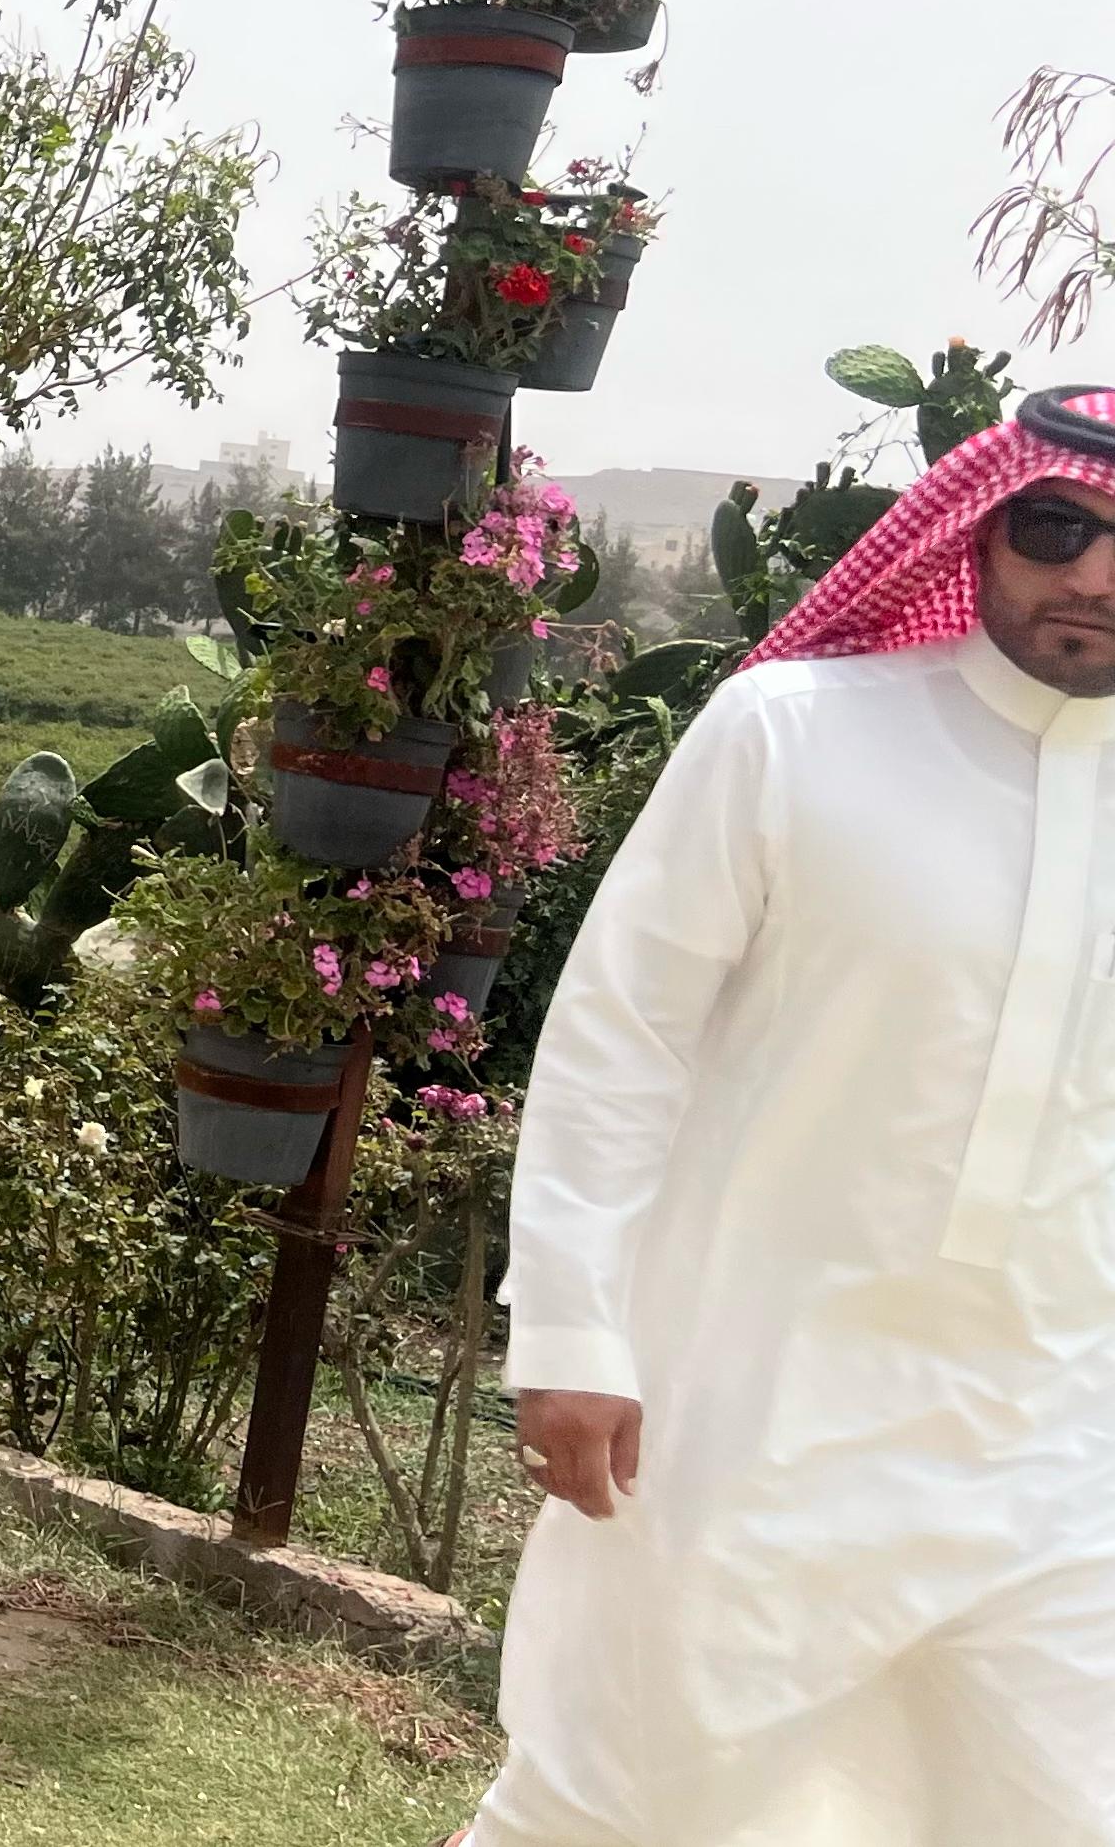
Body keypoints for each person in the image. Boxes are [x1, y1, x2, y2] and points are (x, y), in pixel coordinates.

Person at [458, 385, 1115, 1845]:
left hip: (1063, 1459)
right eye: (1055, 527)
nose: (1094, 574)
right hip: (753, 1412)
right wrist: (570, 1332)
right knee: (620, 1805)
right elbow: (622, 1039)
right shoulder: (795, 735)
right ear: (983, 526)